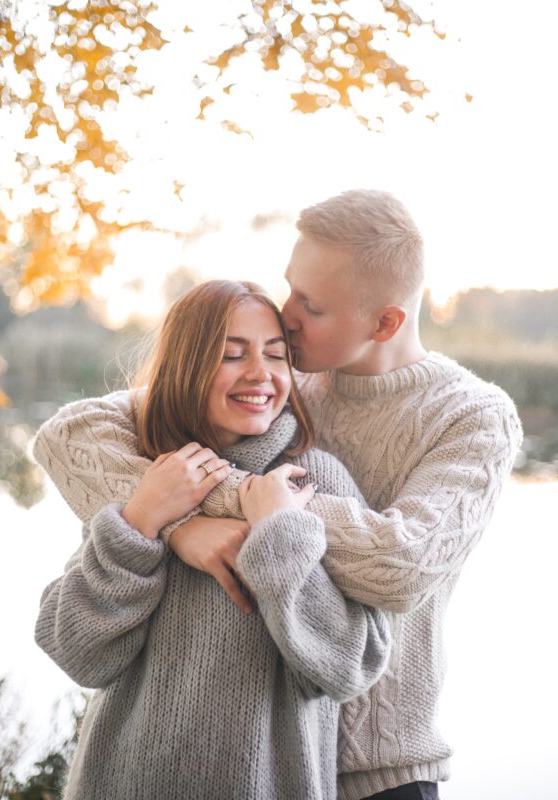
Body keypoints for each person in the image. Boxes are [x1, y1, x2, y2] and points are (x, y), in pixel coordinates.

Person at [34, 190, 522, 800]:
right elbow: (71, 435)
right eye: (290, 289)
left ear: (385, 323)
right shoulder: (280, 384)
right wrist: (175, 522)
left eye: (311, 306)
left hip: (381, 767)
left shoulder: (471, 416)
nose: (285, 318)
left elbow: (401, 568)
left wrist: (257, 508)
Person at [34, 280, 391, 800]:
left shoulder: (315, 480)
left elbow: (350, 667)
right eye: (231, 355)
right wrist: (142, 522)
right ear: (186, 365)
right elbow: (77, 653)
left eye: (277, 354)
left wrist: (279, 536)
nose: (261, 374)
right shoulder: (144, 477)